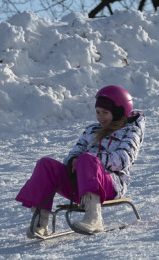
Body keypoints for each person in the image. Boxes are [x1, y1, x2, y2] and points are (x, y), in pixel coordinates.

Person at [16, 85, 145, 236]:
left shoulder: (130, 131)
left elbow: (123, 159)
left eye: (105, 112)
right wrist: (73, 161)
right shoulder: (92, 130)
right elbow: (75, 151)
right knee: (46, 165)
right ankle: (40, 222)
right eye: (98, 112)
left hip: (111, 184)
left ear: (118, 113)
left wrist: (91, 161)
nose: (100, 117)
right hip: (81, 183)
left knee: (86, 159)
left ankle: (93, 218)